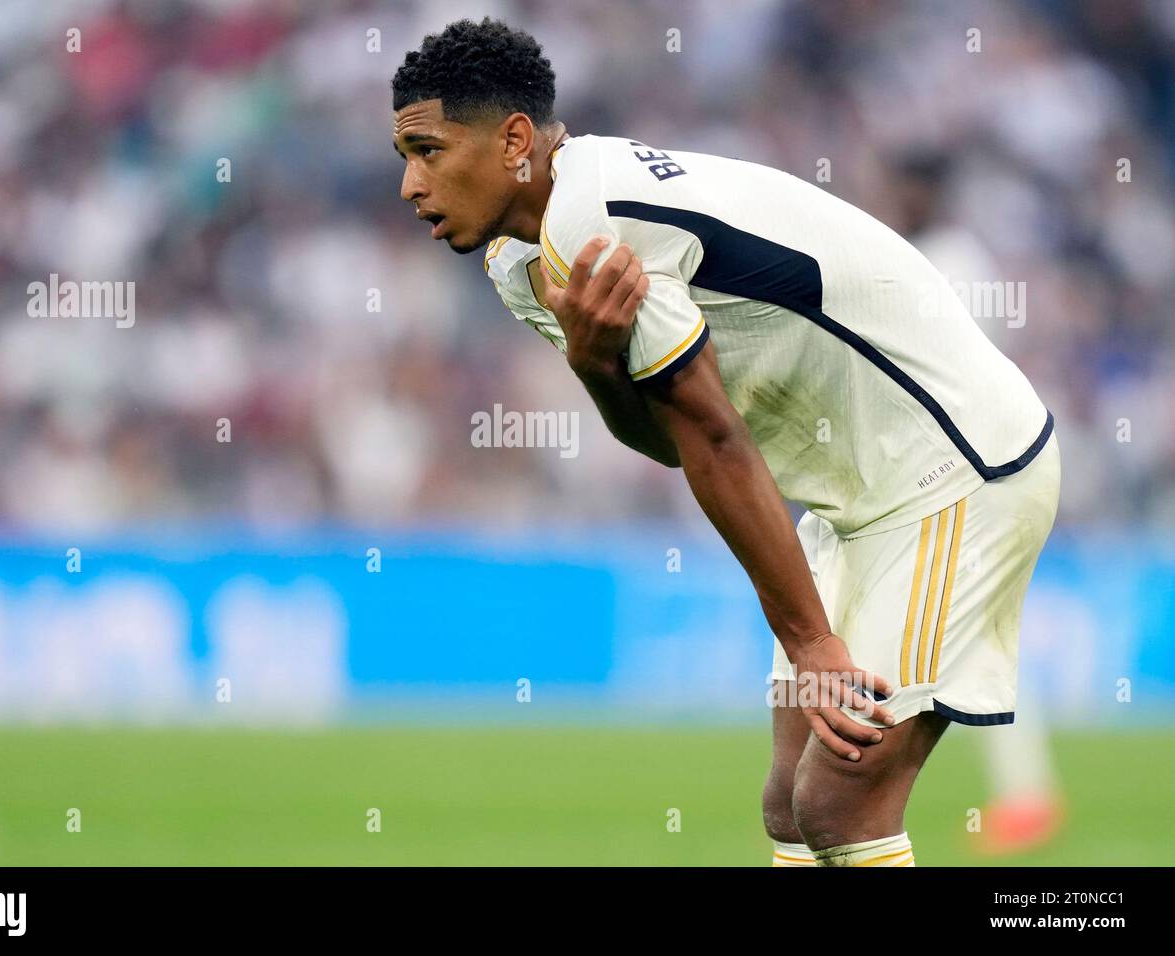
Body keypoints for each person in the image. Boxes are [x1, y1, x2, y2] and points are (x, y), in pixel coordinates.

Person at [391, 18, 1060, 866]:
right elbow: (666, 439)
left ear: (514, 140)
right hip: (858, 490)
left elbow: (715, 438)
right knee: (790, 803)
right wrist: (597, 365)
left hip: (955, 467)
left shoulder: (595, 227)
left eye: (428, 151)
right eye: (402, 158)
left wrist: (814, 645)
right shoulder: (519, 263)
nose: (410, 185)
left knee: (842, 801)